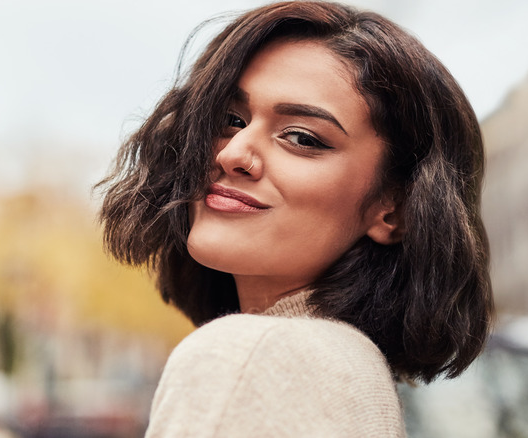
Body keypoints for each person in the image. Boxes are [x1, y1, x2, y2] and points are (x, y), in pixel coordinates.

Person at [98, 1, 493, 436]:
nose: (233, 154)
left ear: (394, 208)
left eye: (302, 137)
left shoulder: (252, 356)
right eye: (231, 119)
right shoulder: (350, 371)